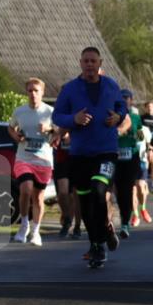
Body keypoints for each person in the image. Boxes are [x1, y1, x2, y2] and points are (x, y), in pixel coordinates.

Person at [53, 48, 125, 268]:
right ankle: (96, 244)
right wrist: (73, 118)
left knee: (98, 190)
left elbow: (121, 106)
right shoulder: (70, 89)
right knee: (83, 202)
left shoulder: (111, 85)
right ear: (80, 63)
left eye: (93, 61)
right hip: (80, 154)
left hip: (106, 152)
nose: (90, 64)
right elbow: (57, 115)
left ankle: (101, 236)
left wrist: (118, 117)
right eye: (86, 61)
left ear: (100, 63)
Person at [10, 78, 55, 246]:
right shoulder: (19, 111)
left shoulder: (50, 112)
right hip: (24, 158)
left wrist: (49, 129)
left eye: (36, 90)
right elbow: (10, 127)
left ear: (42, 92)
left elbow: (61, 132)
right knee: (26, 189)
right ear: (26, 92)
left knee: (38, 197)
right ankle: (23, 225)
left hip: (43, 160)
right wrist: (15, 136)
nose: (33, 94)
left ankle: (36, 231)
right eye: (30, 90)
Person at [114, 90, 143, 239]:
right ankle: (122, 215)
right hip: (116, 158)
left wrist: (134, 137)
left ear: (131, 101)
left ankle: (125, 222)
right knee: (119, 191)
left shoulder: (136, 118)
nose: (124, 100)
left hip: (132, 157)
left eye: (127, 98)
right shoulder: (113, 117)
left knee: (128, 189)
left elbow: (141, 136)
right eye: (121, 98)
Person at [54, 127, 83, 238]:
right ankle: (67, 219)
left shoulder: (82, 112)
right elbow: (53, 127)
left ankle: (77, 226)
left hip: (78, 159)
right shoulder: (61, 114)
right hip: (62, 160)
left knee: (76, 196)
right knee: (62, 193)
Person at [141, 100, 153, 193]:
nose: (150, 108)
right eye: (148, 106)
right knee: (146, 163)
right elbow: (139, 131)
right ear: (145, 108)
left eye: (151, 106)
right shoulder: (142, 118)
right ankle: (145, 185)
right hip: (144, 144)